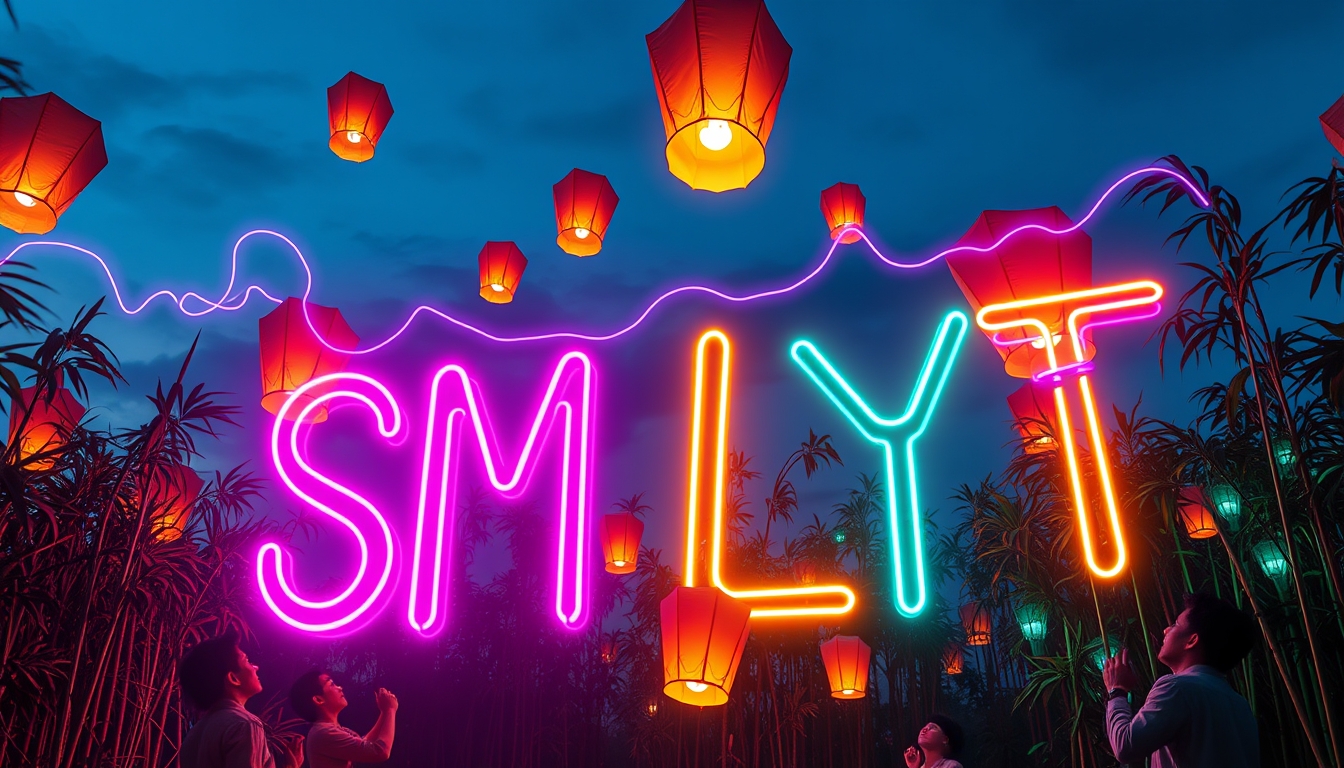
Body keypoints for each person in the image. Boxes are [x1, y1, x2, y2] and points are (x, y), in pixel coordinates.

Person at [1103, 591, 1261, 767]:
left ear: (1192, 640)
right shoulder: (1240, 704)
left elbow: (1125, 747)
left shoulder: (1176, 688)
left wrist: (1117, 690)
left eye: (1175, 625)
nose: (1166, 630)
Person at [179, 630, 303, 768]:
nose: (256, 667)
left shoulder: (194, 736)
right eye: (247, 661)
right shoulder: (245, 725)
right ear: (233, 678)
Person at [288, 668, 398, 768]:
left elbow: (366, 743)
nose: (340, 688)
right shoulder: (323, 733)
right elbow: (380, 752)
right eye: (332, 684)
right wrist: (390, 710)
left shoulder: (330, 730)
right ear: (318, 699)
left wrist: (384, 712)